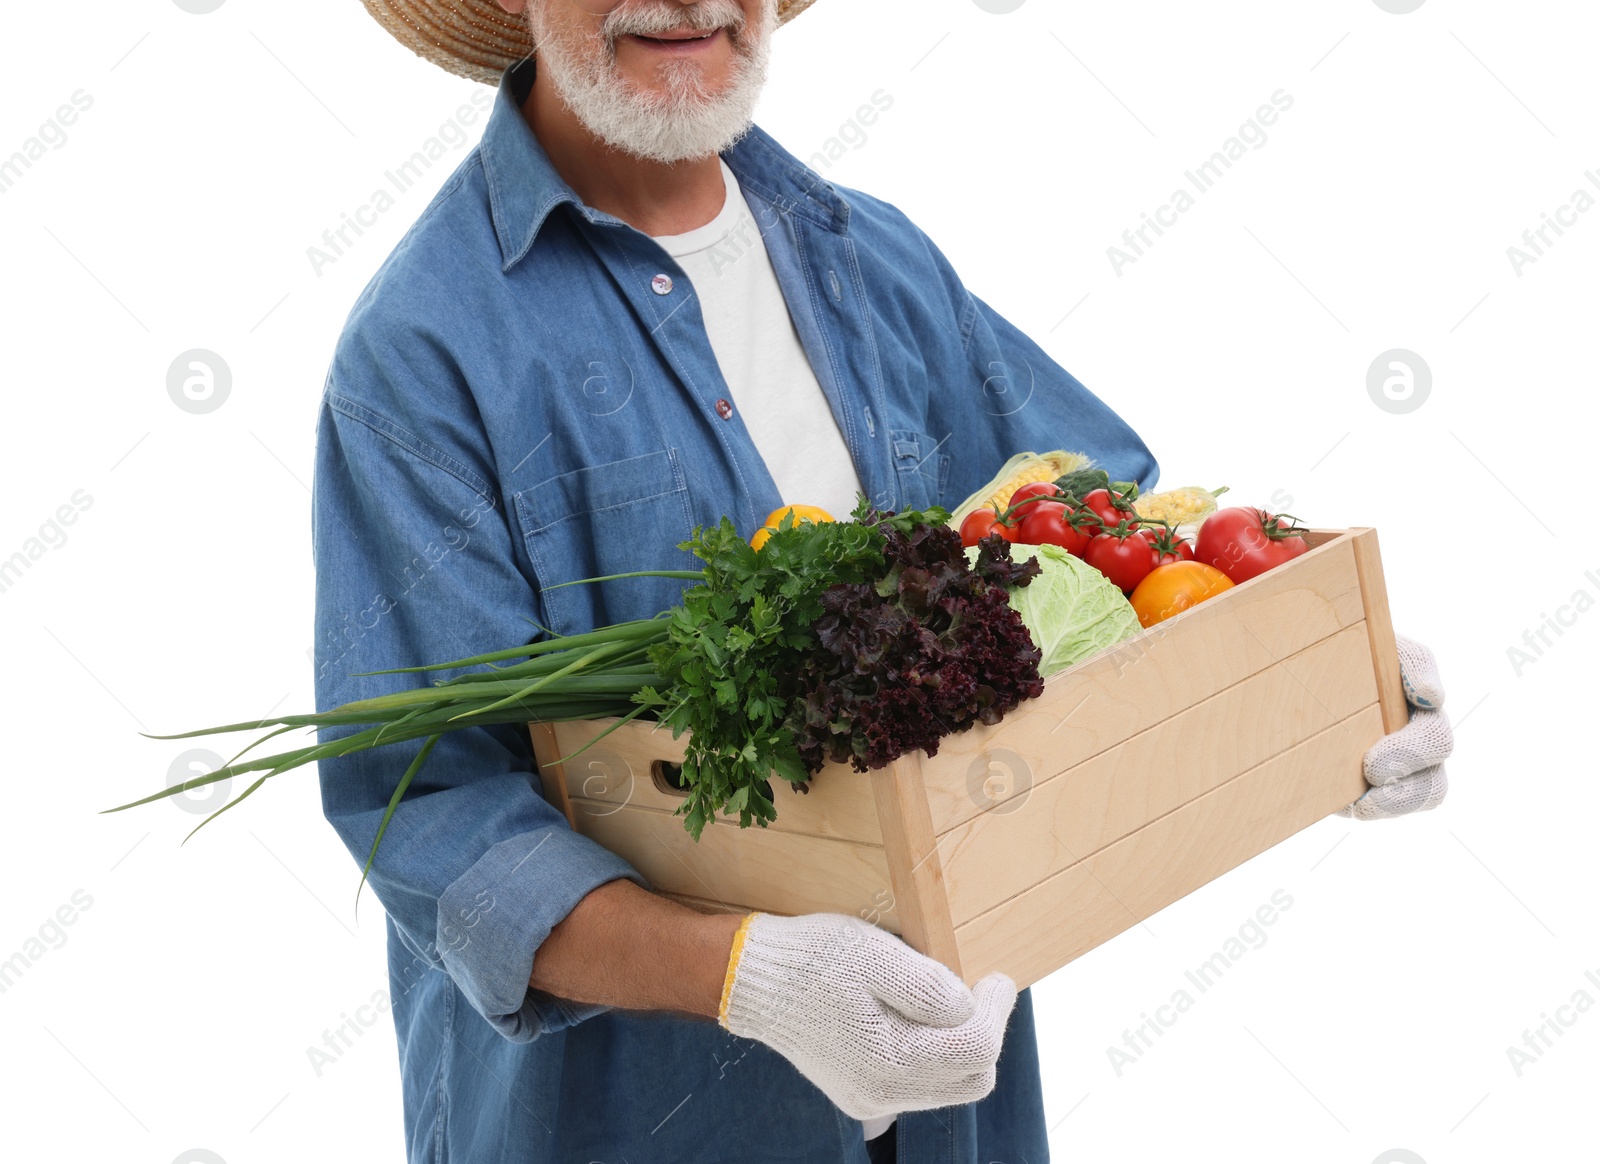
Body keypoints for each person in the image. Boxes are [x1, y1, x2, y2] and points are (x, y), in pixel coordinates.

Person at [312, 2, 1454, 1161]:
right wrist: (748, 979)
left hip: (953, 1106)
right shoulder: (422, 352)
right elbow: (432, 815)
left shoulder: (878, 263)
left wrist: (1304, 685)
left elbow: (1104, 542)